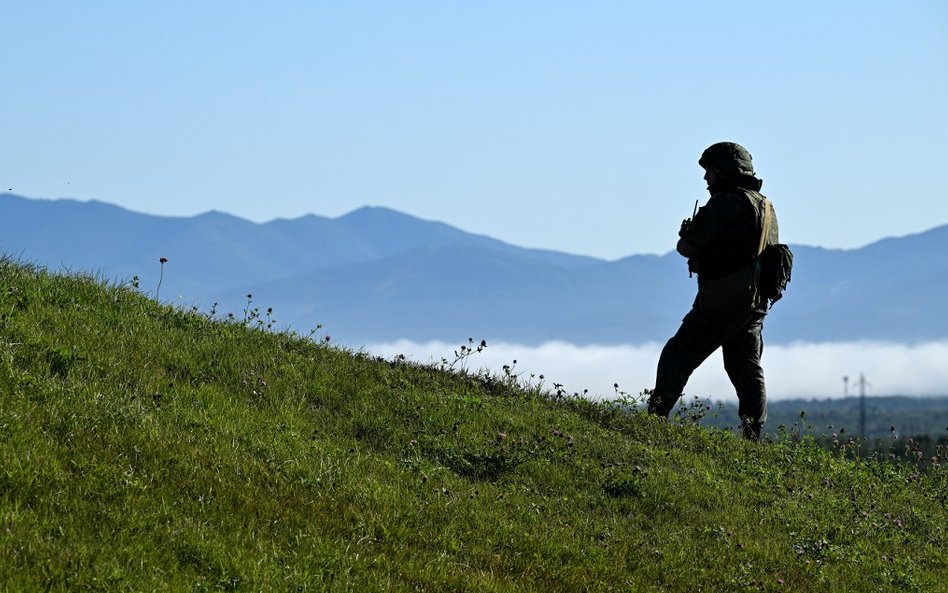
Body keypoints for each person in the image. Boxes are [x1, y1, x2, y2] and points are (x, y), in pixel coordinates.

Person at [647, 141, 779, 440]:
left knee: (677, 354)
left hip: (723, 300)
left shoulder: (726, 203)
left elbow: (688, 247)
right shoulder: (766, 206)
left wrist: (688, 235)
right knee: (745, 367)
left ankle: (654, 421)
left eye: (711, 172)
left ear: (725, 173)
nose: (707, 179)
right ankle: (752, 435)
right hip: (755, 302)